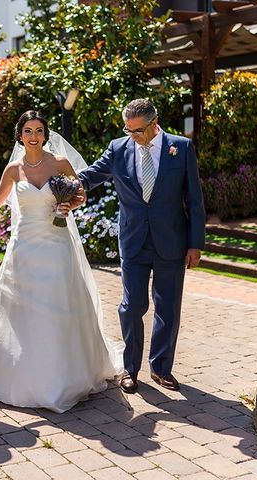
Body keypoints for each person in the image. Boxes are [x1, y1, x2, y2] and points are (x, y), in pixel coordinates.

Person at [0, 110, 123, 413]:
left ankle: (65, 376)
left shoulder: (59, 163)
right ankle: (16, 374)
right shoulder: (14, 170)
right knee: (18, 310)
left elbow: (80, 194)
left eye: (39, 130)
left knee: (60, 305)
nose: (33, 136)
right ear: (20, 135)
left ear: (45, 134)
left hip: (57, 246)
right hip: (24, 249)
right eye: (27, 131)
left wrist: (70, 203)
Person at [77, 98, 205, 394]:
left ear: (154, 123)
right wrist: (63, 186)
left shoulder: (181, 148)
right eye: (128, 129)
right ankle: (130, 369)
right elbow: (91, 175)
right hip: (134, 241)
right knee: (132, 305)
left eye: (137, 131)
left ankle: (161, 368)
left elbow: (194, 200)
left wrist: (195, 243)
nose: (132, 136)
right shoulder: (118, 148)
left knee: (168, 307)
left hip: (172, 241)